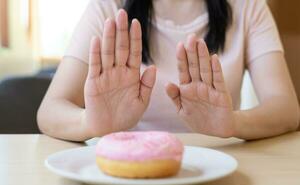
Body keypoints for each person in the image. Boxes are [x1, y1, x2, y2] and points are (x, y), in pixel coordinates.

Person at [37, 0, 299, 142]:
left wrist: (233, 122)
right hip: (127, 173)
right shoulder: (107, 8)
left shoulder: (249, 7)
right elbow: (50, 110)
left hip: (222, 166)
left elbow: (286, 108)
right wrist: (89, 123)